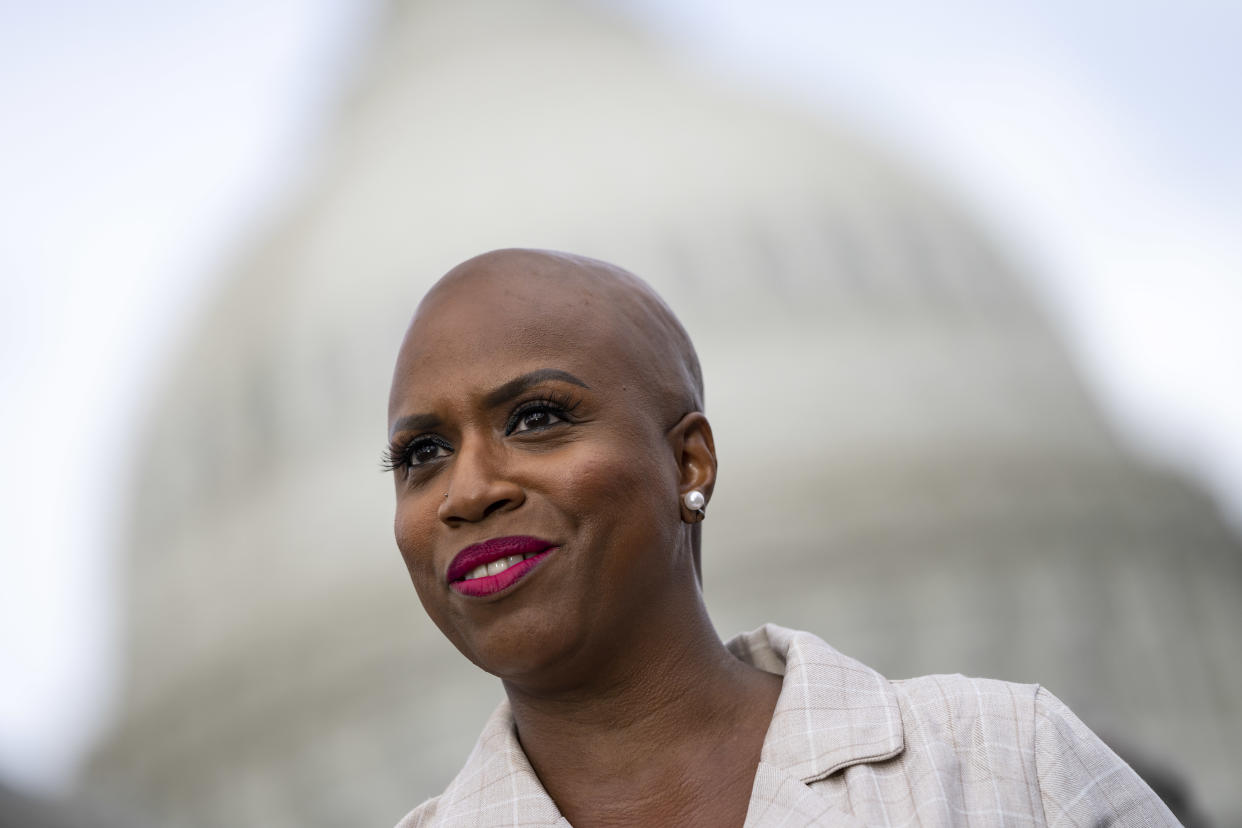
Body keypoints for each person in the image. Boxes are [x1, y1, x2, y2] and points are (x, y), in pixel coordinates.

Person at [385, 249, 1178, 827]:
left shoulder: (1005, 766)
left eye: (537, 419)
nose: (469, 490)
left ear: (687, 459)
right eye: (423, 454)